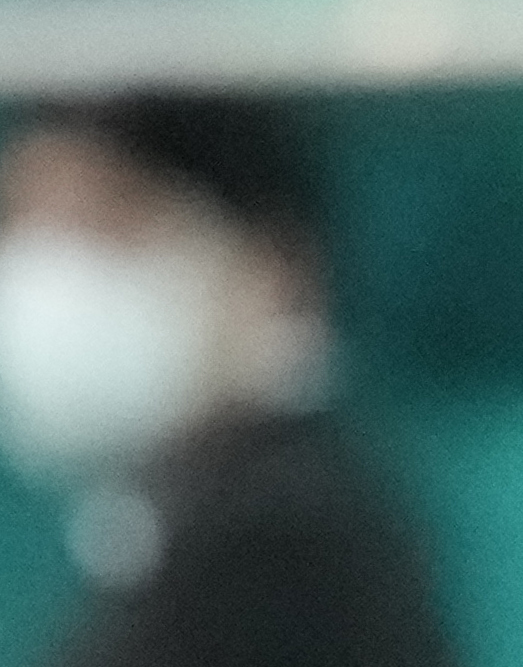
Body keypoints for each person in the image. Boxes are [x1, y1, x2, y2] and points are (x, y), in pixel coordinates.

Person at [0, 93, 457, 667]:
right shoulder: (185, 526)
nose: (53, 277)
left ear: (271, 267)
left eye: (106, 222)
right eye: (21, 225)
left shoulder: (281, 551)